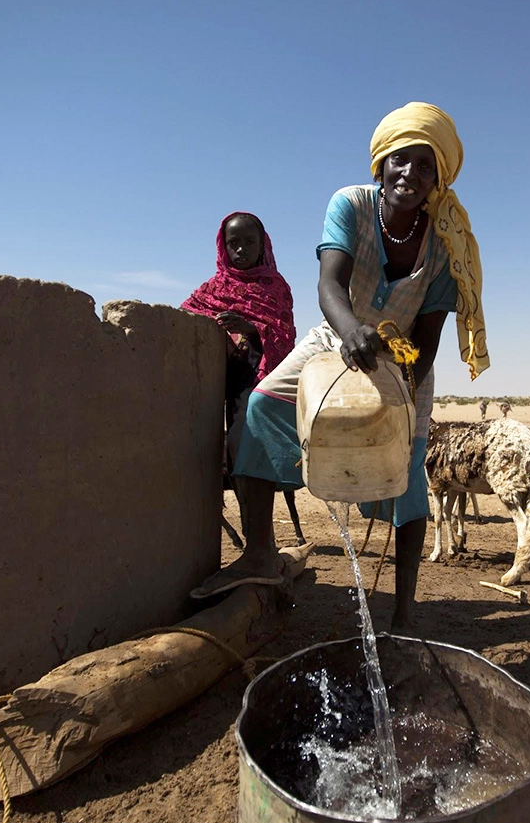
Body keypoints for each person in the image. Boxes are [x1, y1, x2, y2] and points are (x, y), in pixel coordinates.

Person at [191, 102, 488, 630]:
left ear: (438, 178)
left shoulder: (444, 247)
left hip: (403, 360)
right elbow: (330, 285)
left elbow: (428, 335)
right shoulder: (350, 205)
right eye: (401, 160)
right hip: (337, 337)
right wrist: (352, 333)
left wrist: (397, 396)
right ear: (381, 163)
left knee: (406, 474)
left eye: (425, 166)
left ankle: (403, 611)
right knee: (261, 409)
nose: (410, 174)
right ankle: (260, 552)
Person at [179, 212, 296, 488]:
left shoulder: (274, 286)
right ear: (224, 246)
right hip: (212, 384)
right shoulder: (213, 288)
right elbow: (185, 317)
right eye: (234, 243)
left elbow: (284, 337)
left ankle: (255, 526)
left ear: (262, 245)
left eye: (249, 242)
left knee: (243, 447)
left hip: (253, 383)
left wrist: (252, 328)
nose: (241, 249)